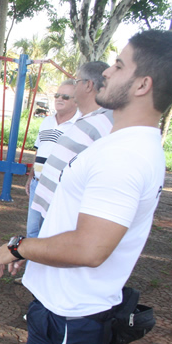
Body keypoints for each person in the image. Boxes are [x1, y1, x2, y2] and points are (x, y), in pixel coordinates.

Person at [0, 29, 172, 344]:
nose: (107, 74)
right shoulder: (122, 143)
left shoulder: (124, 156)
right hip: (65, 312)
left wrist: (18, 248)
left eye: (118, 65)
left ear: (143, 84)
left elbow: (90, 246)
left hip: (70, 318)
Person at [30, 61, 112, 231]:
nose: (74, 89)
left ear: (88, 85)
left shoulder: (103, 123)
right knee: (33, 236)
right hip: (45, 198)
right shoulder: (85, 120)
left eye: (76, 82)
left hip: (63, 211)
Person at [25, 80, 80, 238]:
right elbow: (39, 151)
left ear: (77, 101)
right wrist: (31, 177)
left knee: (51, 233)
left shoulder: (79, 125)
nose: (59, 99)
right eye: (57, 95)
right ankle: (30, 263)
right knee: (32, 232)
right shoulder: (47, 121)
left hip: (59, 186)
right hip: (38, 183)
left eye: (65, 96)